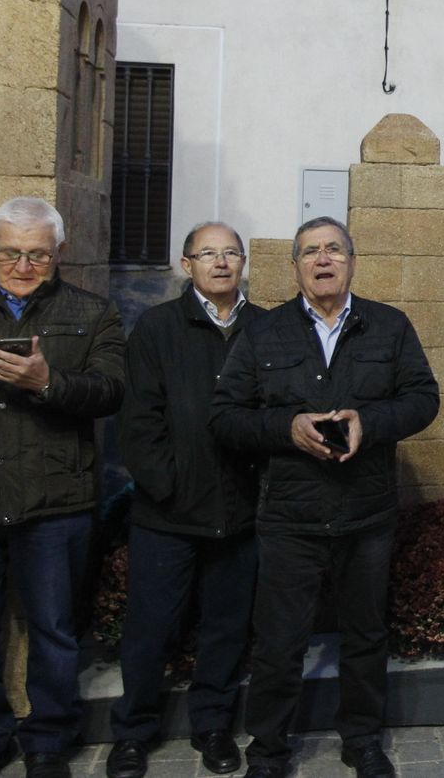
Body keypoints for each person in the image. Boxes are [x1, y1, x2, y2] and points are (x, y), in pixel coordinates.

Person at [210, 217, 438, 778]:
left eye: (334, 249)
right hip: (291, 517)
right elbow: (225, 417)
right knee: (279, 643)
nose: (323, 259)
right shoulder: (263, 333)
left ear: (351, 261)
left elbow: (423, 398)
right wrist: (287, 427)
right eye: (310, 251)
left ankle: (361, 741)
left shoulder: (388, 325)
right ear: (295, 266)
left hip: (367, 514)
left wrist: (371, 422)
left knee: (364, 636)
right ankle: (268, 750)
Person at [0, 197, 127, 778]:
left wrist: (49, 382)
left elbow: (113, 391)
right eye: (11, 253)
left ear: (58, 252)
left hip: (54, 500)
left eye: (37, 255)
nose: (22, 265)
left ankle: (48, 743)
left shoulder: (93, 314)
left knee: (54, 633)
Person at [107, 223, 265, 778]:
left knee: (226, 627)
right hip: (167, 513)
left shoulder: (266, 328)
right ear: (185, 262)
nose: (220, 263)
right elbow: (138, 422)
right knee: (151, 626)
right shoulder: (156, 327)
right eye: (207, 253)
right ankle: (132, 733)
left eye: (230, 253)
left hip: (241, 512)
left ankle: (214, 726)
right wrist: (168, 487)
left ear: (243, 262)